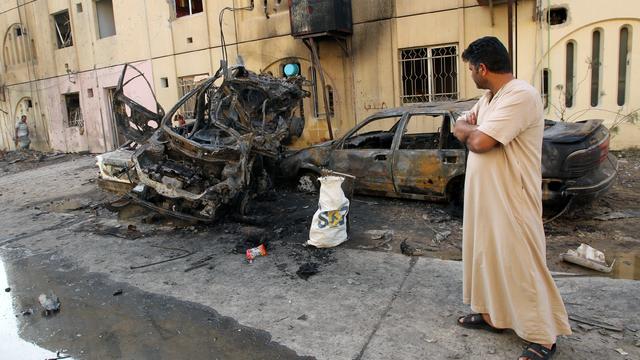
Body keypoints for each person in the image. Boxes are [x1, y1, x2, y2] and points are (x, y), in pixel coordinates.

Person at [453, 36, 571, 360]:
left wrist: (469, 131)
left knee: (521, 264)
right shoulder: (491, 97)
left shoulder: (520, 96)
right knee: (486, 257)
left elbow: (478, 141)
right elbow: (462, 125)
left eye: (470, 69)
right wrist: (467, 129)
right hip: (485, 198)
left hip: (512, 198)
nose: (470, 75)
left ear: (482, 68)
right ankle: (494, 316)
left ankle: (544, 337)